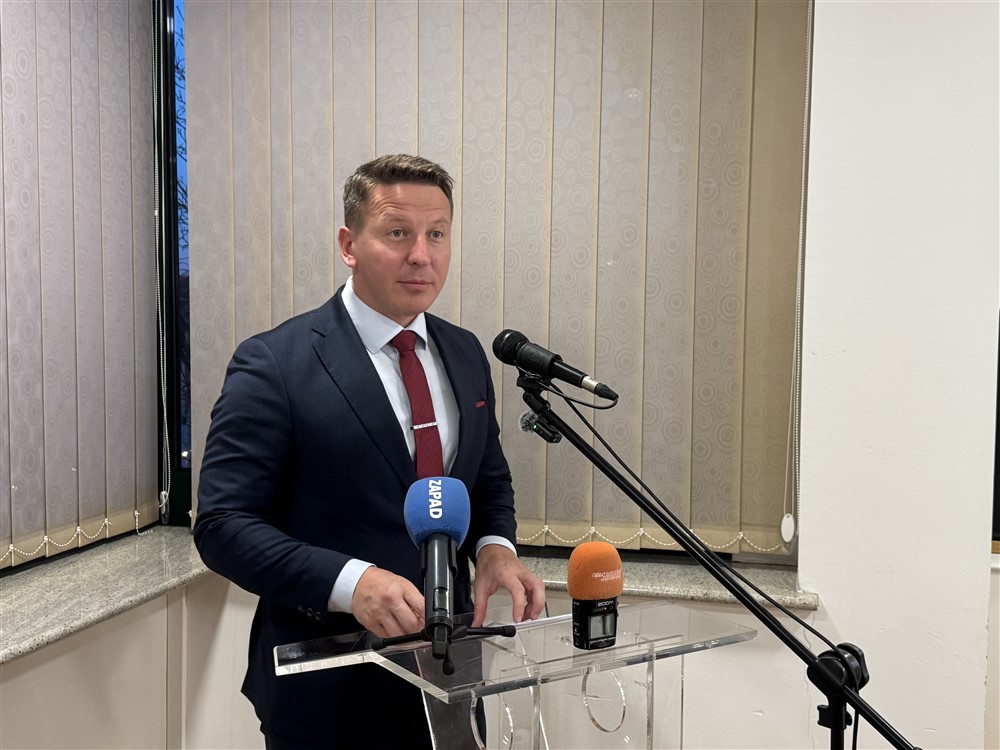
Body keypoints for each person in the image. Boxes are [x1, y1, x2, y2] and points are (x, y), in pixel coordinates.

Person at [194, 154, 545, 749]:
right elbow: (223, 526)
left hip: (449, 677)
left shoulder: (465, 353)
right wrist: (350, 582)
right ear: (348, 244)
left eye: (437, 234)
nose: (421, 255)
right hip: (327, 688)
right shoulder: (274, 363)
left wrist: (494, 548)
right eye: (398, 233)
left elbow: (486, 479)